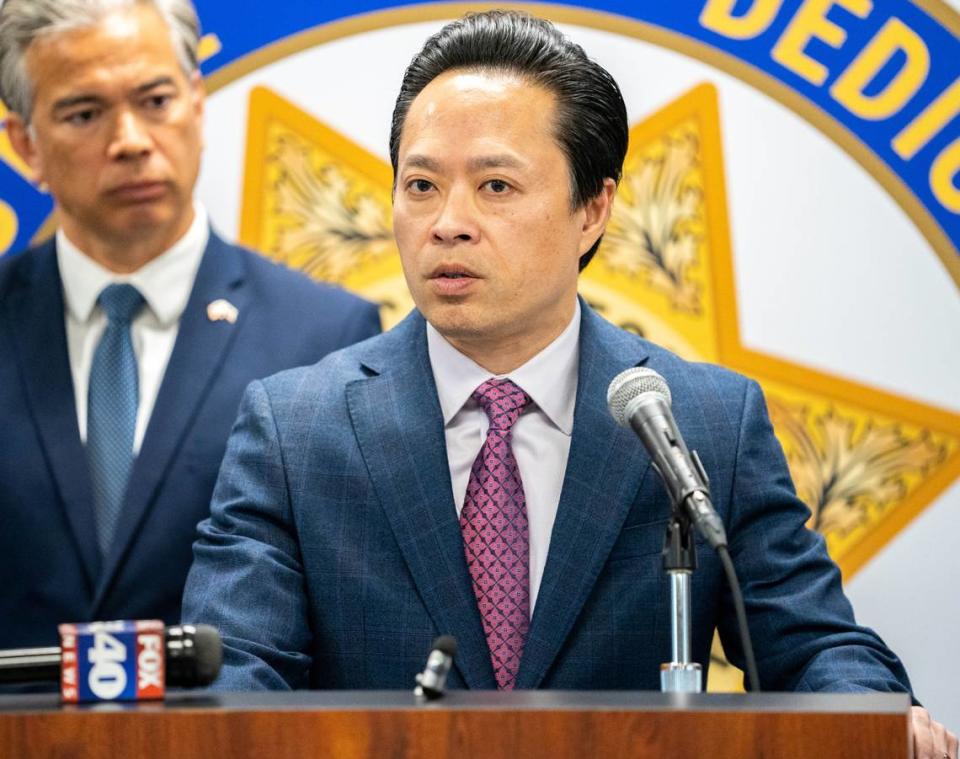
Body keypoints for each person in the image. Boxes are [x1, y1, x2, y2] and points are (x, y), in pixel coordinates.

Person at [180, 11, 956, 757]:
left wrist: (879, 715)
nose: (447, 222)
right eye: (421, 186)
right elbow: (234, 679)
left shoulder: (704, 422)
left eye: (495, 187)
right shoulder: (294, 430)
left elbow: (815, 644)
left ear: (593, 210)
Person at [0, 0, 380, 655]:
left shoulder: (325, 335)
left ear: (197, 103)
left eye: (154, 100)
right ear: (24, 142)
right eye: (84, 113)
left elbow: (348, 607)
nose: (131, 140)